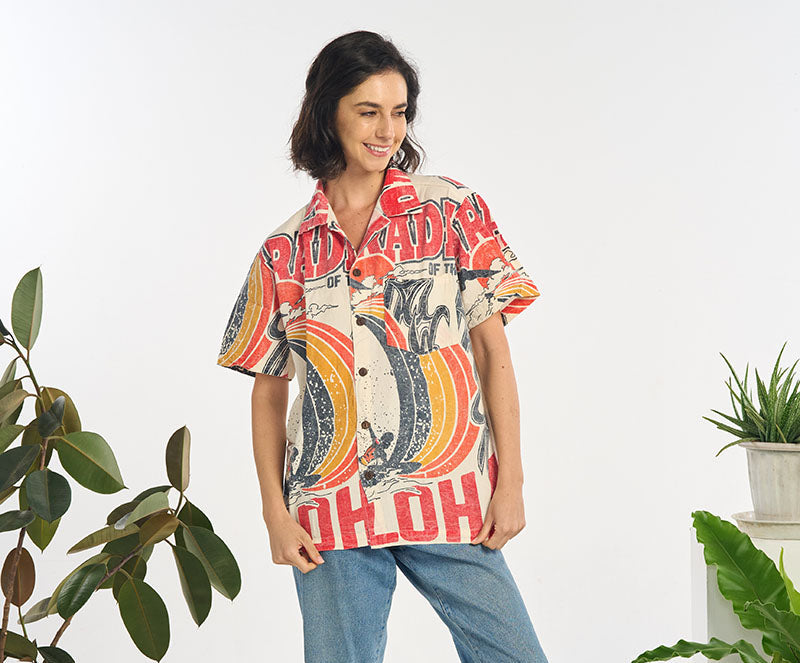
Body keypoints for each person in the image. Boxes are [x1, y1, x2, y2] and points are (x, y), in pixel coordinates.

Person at [217, 30, 548, 663]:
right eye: (368, 111)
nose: (386, 130)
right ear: (327, 113)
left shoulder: (452, 210)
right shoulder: (285, 250)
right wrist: (274, 514)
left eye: (398, 113)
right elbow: (268, 388)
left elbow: (492, 353)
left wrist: (512, 482)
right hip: (330, 508)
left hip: (449, 495)